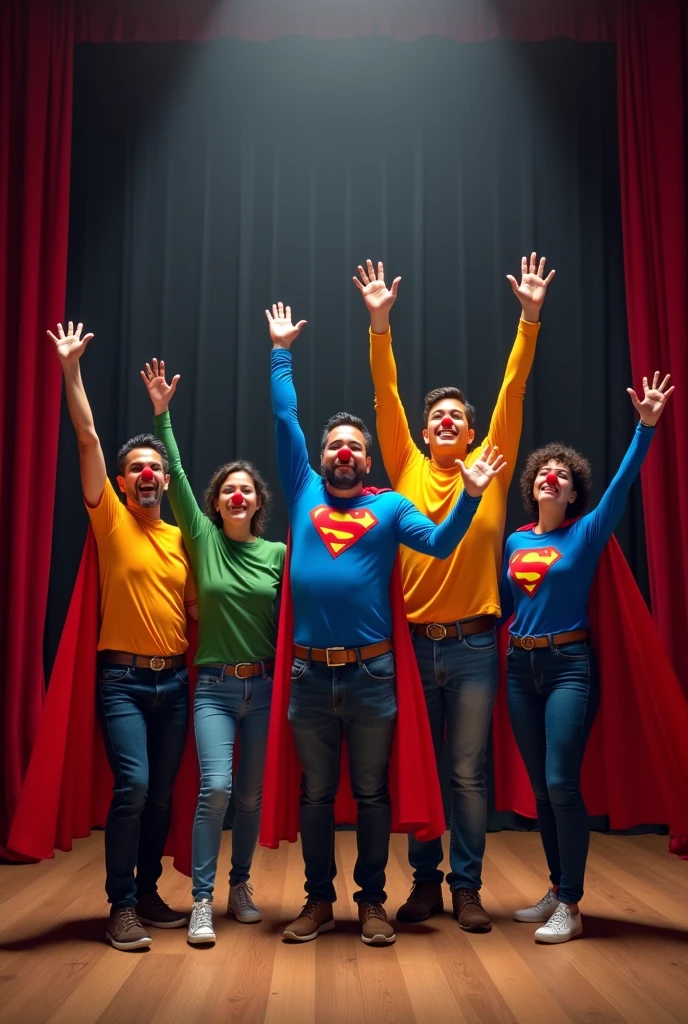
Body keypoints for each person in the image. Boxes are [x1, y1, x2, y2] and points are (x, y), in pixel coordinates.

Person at [265, 301, 505, 946]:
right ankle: (319, 901)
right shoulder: (303, 488)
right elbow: (285, 415)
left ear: (368, 460)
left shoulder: (393, 505)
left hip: (373, 674)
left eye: (355, 446)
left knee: (372, 795)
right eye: (335, 445)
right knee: (316, 797)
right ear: (322, 458)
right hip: (309, 675)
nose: (344, 452)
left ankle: (371, 903)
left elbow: (440, 543)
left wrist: (474, 496)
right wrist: (280, 351)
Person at [355, 254, 554, 931]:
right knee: (420, 767)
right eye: (435, 414)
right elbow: (386, 395)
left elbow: (512, 390)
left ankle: (466, 886)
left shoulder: (490, 469)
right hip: (411, 647)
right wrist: (379, 324)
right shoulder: (405, 464)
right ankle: (425, 885)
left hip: (473, 645)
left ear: (471, 433)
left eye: (455, 417)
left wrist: (529, 317)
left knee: (467, 773)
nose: (444, 420)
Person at [500, 371, 674, 943]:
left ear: (575, 493)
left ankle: (570, 905)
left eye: (565, 476)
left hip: (568, 668)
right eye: (546, 472)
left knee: (561, 783)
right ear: (533, 486)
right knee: (541, 786)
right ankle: (556, 887)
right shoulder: (516, 541)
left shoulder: (587, 532)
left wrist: (645, 428)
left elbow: (624, 484)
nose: (554, 477)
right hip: (518, 670)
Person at [47, 322, 197, 951]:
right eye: (133, 467)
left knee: (160, 796)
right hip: (125, 681)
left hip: (175, 680)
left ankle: (147, 891)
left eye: (153, 468)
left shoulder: (181, 535)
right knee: (132, 786)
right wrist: (71, 370)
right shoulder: (110, 520)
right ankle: (120, 907)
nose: (144, 474)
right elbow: (86, 436)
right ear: (123, 479)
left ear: (165, 480)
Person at [141, 359, 286, 946]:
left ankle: (241, 886)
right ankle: (202, 899)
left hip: (268, 686)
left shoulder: (278, 554)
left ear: (257, 503)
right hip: (216, 689)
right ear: (217, 502)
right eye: (227, 488)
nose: (235, 493)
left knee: (249, 796)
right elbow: (172, 471)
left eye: (244, 488)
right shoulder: (201, 540)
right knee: (217, 788)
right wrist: (162, 415)